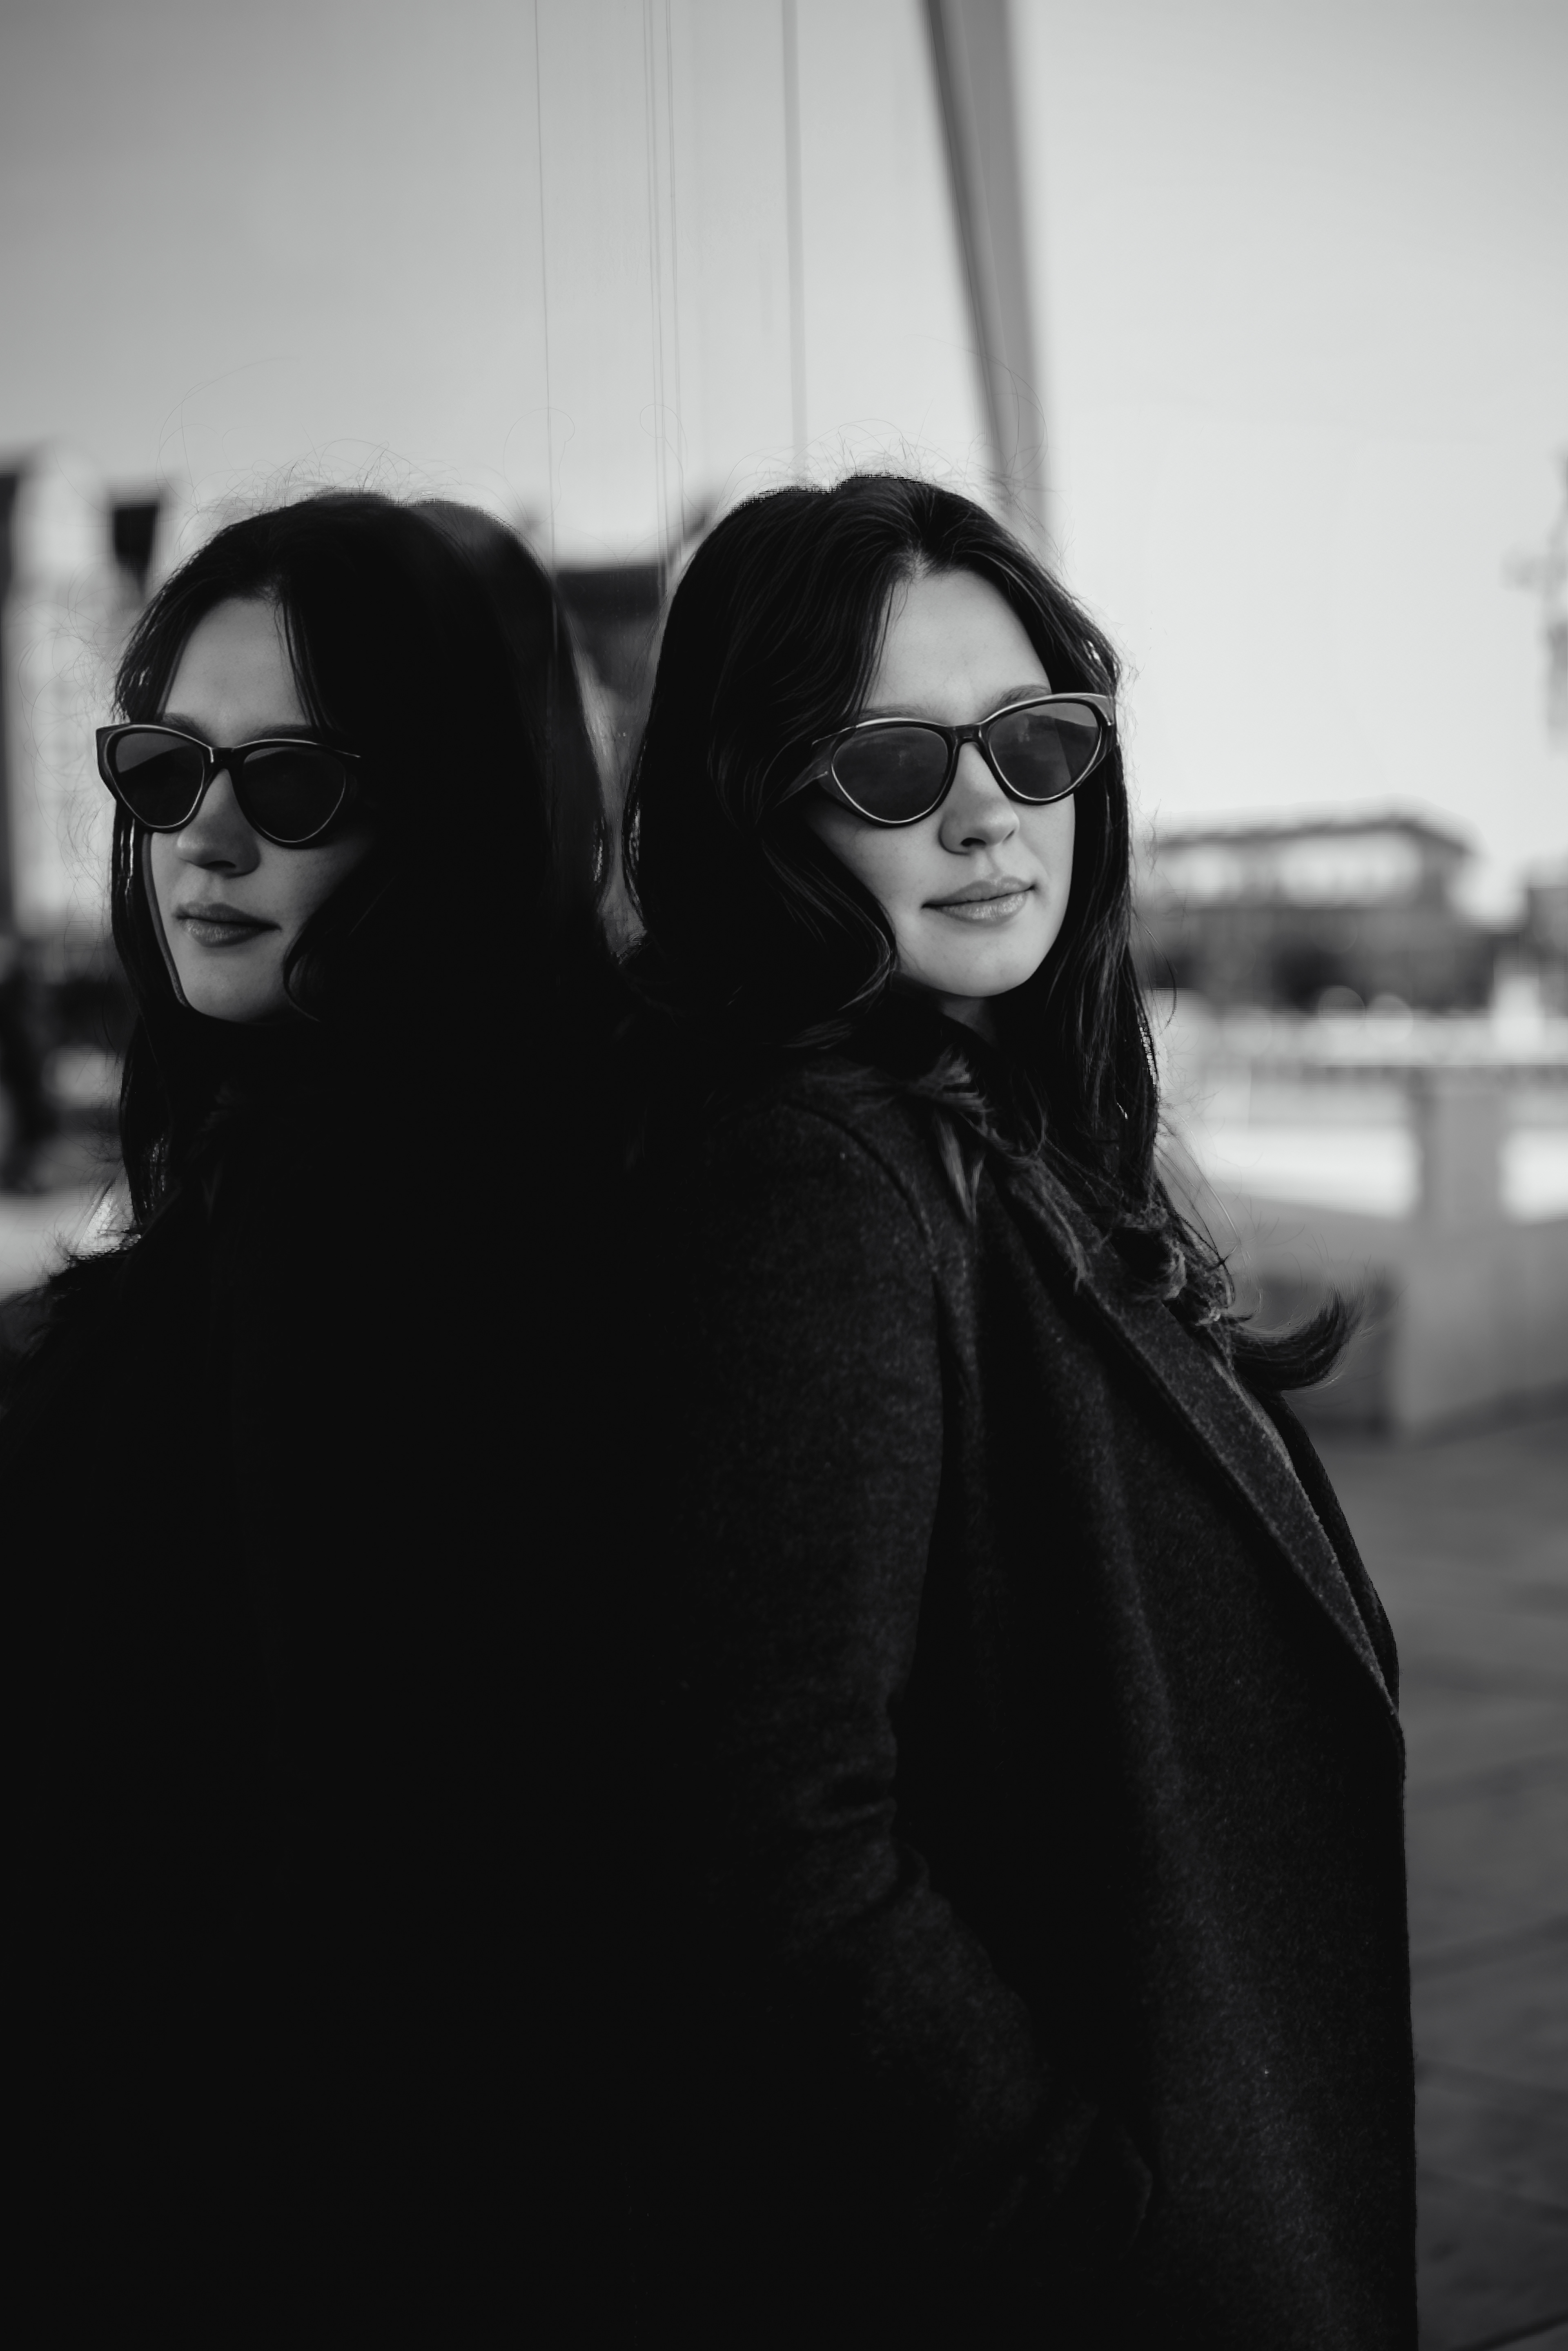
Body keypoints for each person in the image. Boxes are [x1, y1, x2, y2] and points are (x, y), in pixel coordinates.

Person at [614, 475, 1416, 2347]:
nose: (988, 811)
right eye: (892, 765)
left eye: (1036, 741)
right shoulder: (816, 1185)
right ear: (759, 804)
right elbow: (767, 1845)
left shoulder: (1006, 1143)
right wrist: (1111, 2240)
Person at [2, 491, 615, 2333]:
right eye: (163, 766)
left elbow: (370, 1871)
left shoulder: (356, 1214)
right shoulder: (383, 1150)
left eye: (295, 781)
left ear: (448, 806)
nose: (204, 833)